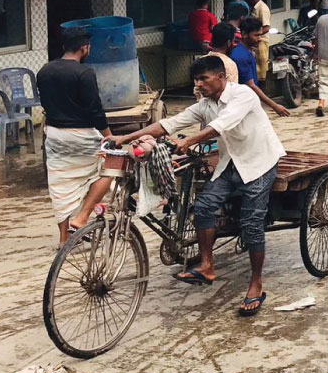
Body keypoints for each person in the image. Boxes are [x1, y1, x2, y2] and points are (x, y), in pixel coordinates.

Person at [109, 55, 286, 316]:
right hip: (230, 163)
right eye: (196, 79)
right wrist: (126, 137)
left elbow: (220, 126)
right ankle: (206, 265)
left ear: (221, 77)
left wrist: (190, 140)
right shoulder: (206, 104)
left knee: (252, 224)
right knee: (202, 207)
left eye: (204, 78)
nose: (199, 84)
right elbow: (169, 124)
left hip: (259, 163)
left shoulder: (243, 95)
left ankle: (256, 284)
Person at [36, 27, 114, 245]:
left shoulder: (44, 70)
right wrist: (109, 136)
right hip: (82, 135)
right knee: (111, 168)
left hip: (53, 134)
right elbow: (94, 109)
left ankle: (64, 239)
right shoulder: (84, 73)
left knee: (61, 184)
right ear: (84, 47)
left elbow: (44, 102)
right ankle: (82, 217)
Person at [234, 18, 291, 117]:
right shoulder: (241, 56)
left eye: (260, 35)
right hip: (243, 103)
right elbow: (251, 85)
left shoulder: (248, 51)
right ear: (244, 34)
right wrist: (274, 106)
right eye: (256, 35)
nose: (259, 38)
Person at [241, 0, 272, 81]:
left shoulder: (262, 9)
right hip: (254, 41)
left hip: (261, 42)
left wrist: (255, 35)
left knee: (262, 68)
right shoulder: (254, 8)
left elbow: (266, 27)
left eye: (247, 0)